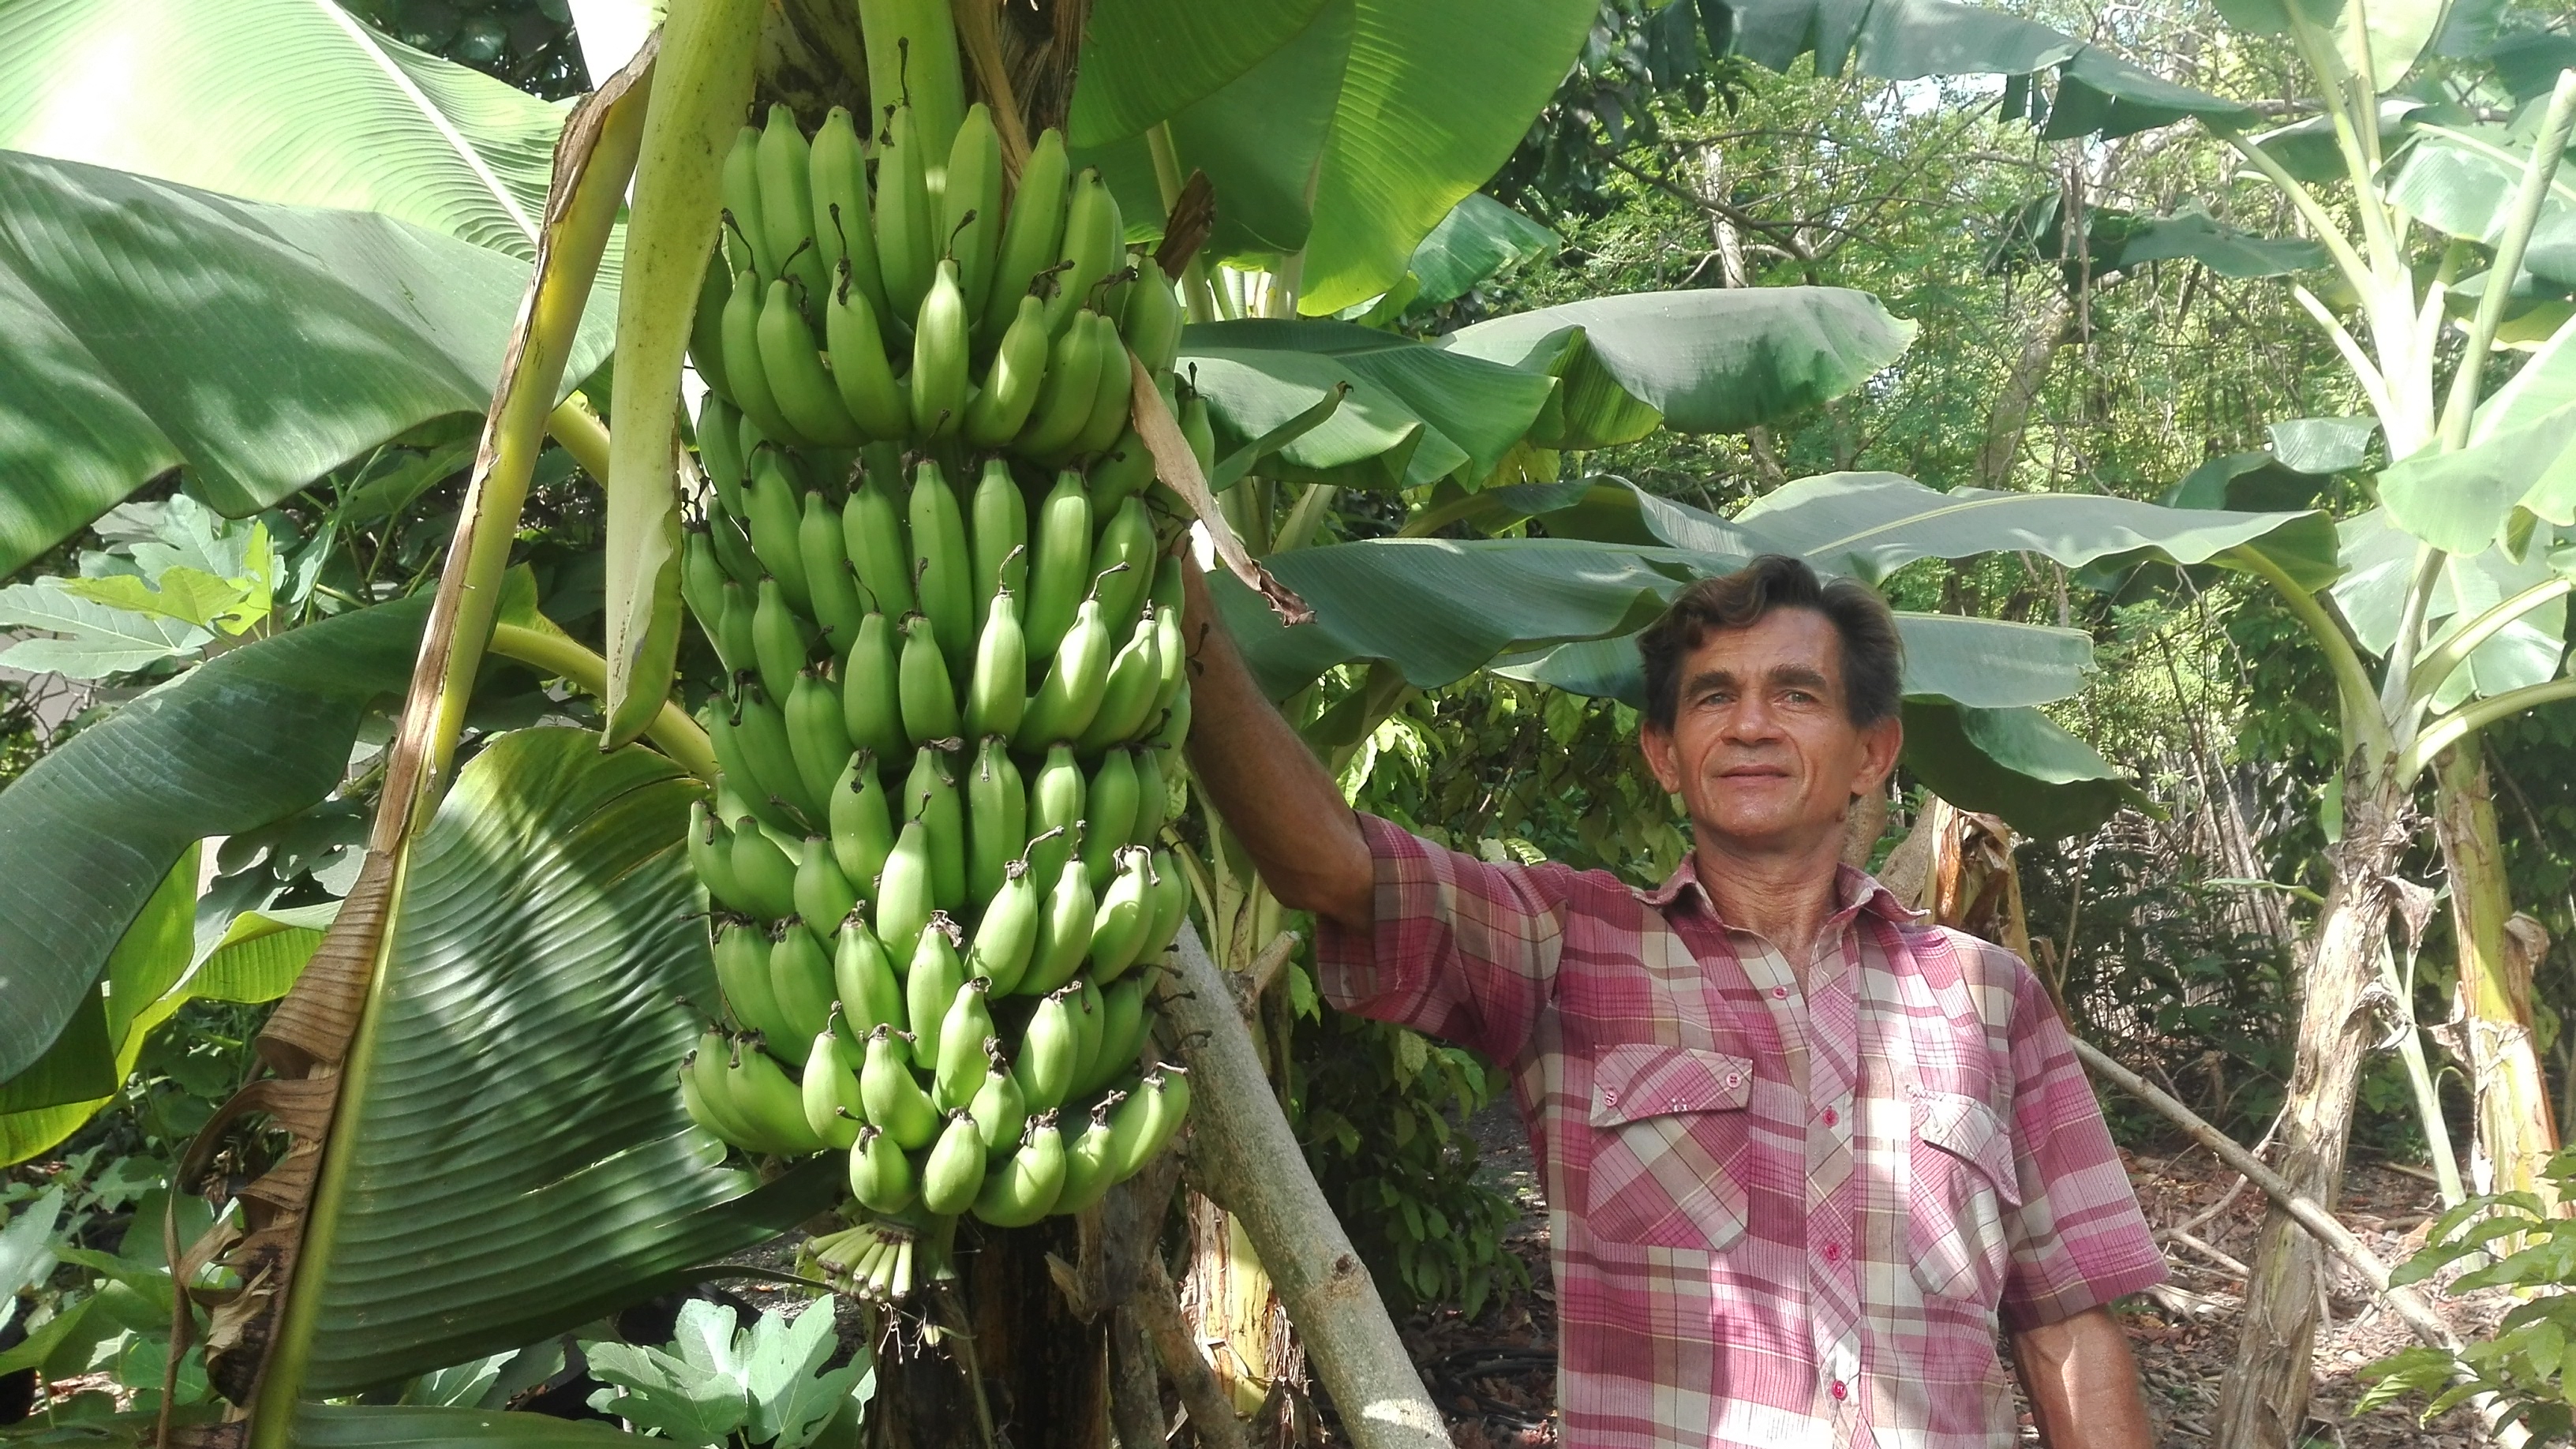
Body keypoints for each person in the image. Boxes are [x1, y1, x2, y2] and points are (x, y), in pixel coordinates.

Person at [1179, 552, 2167, 1449]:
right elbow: (1336, 871)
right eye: (1713, 697)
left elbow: (2068, 1325)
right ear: (1665, 753)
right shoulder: (1569, 949)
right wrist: (1190, 625)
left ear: (1871, 754)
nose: (1749, 725)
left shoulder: (1987, 998)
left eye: (1795, 694)